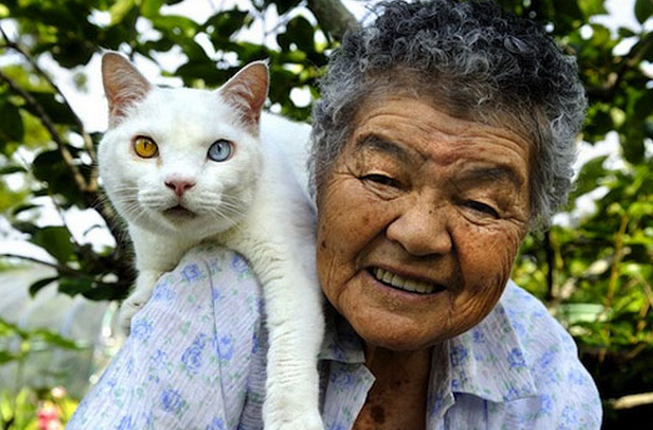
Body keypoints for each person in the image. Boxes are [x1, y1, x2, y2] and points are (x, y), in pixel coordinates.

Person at [67, 0, 602, 429]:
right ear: (317, 170)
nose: (418, 235)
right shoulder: (209, 300)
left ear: (531, 222)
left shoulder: (543, 366)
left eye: (480, 204)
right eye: (382, 178)